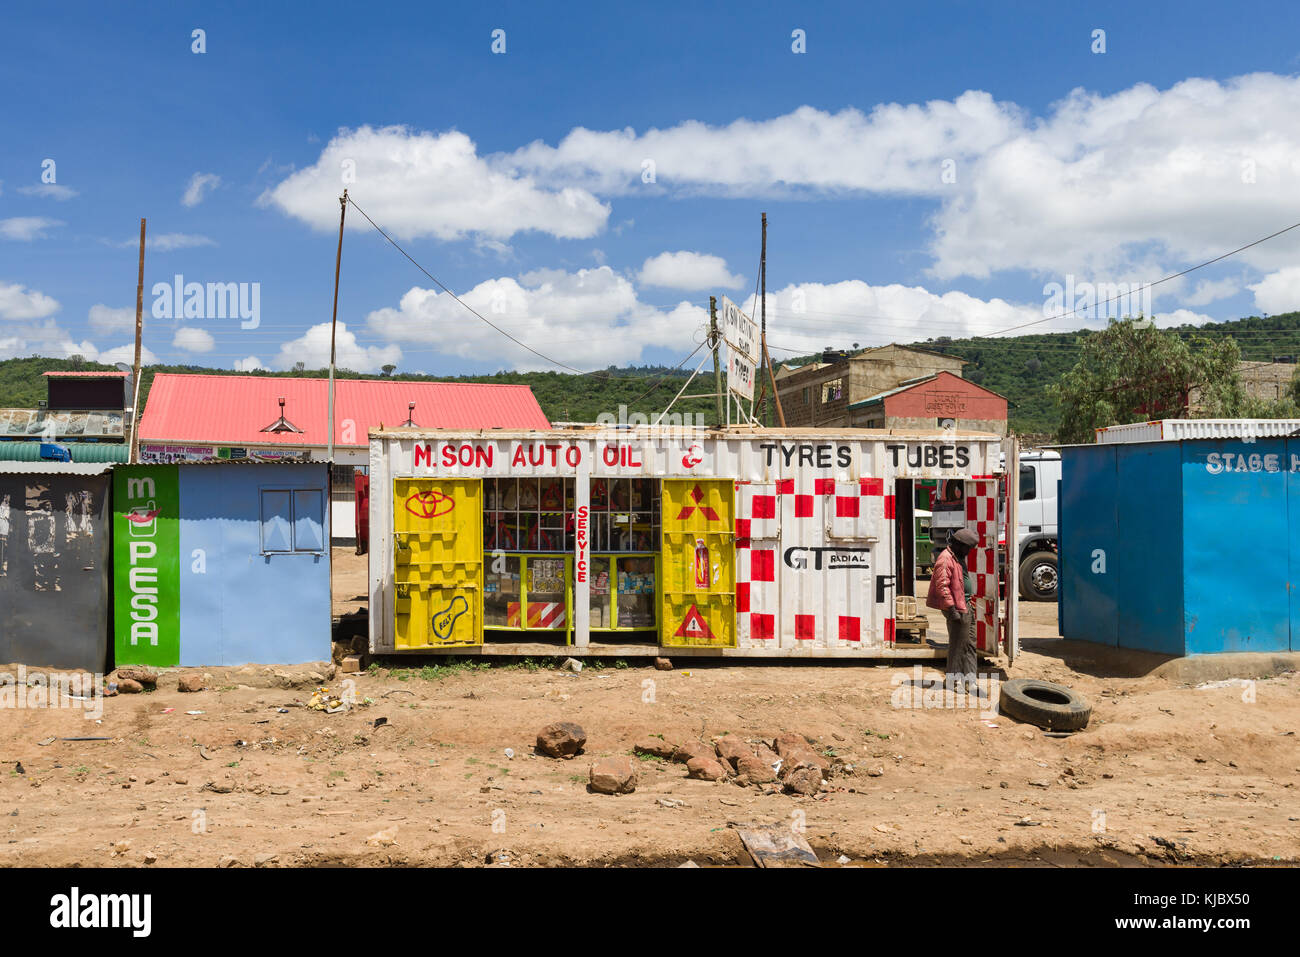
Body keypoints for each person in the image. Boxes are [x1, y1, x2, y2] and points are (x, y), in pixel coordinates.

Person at [926, 527, 979, 689]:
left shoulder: (957, 557)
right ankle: (953, 681)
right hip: (957, 608)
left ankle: (970, 681)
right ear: (959, 544)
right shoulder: (945, 559)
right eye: (968, 548)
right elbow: (942, 586)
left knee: (970, 645)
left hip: (966, 606)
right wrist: (951, 609)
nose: (969, 552)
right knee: (957, 646)